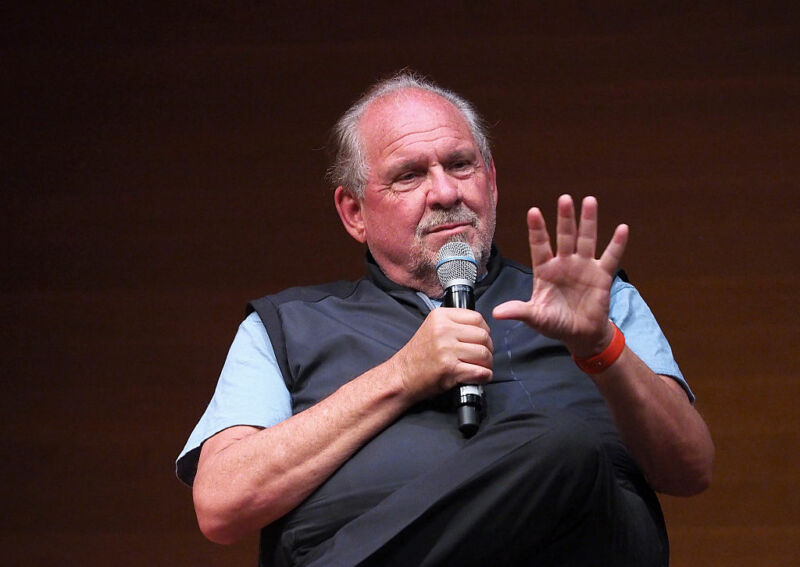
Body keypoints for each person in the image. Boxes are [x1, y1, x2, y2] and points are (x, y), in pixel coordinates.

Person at [176, 72, 714, 566]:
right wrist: (401, 377)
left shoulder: (592, 300)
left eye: (461, 164)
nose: (446, 192)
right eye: (409, 175)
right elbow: (223, 504)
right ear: (354, 212)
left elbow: (689, 470)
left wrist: (602, 346)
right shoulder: (286, 328)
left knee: (566, 449)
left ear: (492, 180)